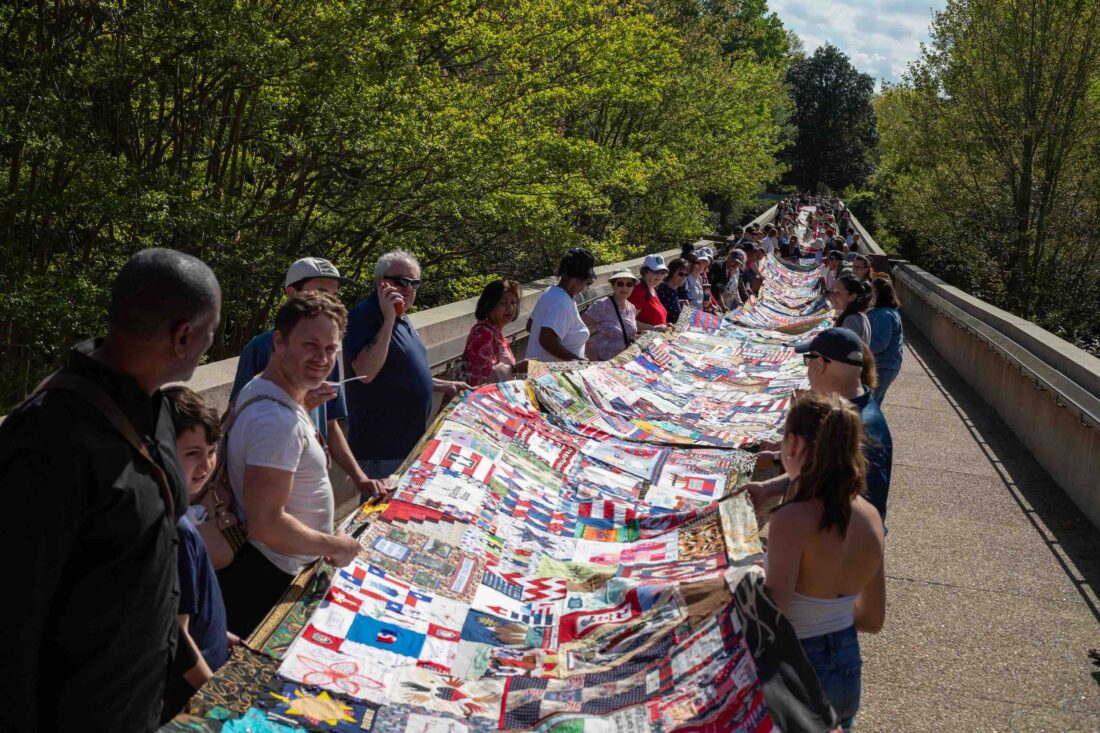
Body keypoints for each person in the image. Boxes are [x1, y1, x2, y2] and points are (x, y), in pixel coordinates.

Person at [0, 248, 220, 732]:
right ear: (183, 336)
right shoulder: (48, 442)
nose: (211, 343)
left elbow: (148, 570)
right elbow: (12, 623)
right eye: (211, 332)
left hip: (137, 704)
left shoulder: (157, 410)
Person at [220, 291, 362, 636]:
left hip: (276, 567)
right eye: (310, 345)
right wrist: (334, 545)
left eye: (330, 349)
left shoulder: (264, 391)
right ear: (279, 341)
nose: (322, 358)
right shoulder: (276, 422)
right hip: (271, 581)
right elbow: (266, 525)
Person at [764, 392, 886, 732]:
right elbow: (873, 618)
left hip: (801, 667)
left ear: (793, 443)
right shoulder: (870, 517)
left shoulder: (791, 519)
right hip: (847, 667)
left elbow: (776, 610)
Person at [230, 257, 388, 502]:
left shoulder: (326, 355)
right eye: (320, 293)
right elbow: (240, 420)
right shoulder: (260, 348)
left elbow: (331, 424)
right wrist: (302, 406)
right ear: (292, 295)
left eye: (334, 295)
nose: (329, 303)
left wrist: (359, 476)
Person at [344, 249, 471, 479]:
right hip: (381, 448)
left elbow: (401, 373)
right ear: (380, 283)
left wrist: (445, 385)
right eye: (401, 281)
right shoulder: (366, 315)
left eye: (414, 283)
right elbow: (365, 372)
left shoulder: (402, 317)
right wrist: (388, 319)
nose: (408, 289)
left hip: (408, 444)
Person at [743, 328, 893, 522]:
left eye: (808, 360)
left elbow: (827, 496)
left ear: (819, 364)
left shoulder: (852, 428)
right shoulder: (855, 410)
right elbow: (818, 470)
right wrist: (769, 487)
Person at [162, 386, 232, 721]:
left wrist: (220, 635)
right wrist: (216, 700)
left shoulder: (174, 511)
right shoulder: (177, 531)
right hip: (190, 697)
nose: (206, 465)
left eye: (212, 451)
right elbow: (176, 636)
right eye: (192, 453)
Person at [524, 247, 596, 362]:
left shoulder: (550, 292)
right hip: (549, 372)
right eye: (587, 282)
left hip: (537, 368)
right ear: (579, 279)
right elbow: (547, 339)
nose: (585, 286)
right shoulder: (562, 302)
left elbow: (531, 326)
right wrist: (575, 360)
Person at [462, 279, 525, 385]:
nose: (510, 307)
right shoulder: (483, 334)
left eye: (513, 302)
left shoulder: (495, 333)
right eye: (502, 302)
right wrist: (516, 368)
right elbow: (481, 377)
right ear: (489, 305)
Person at [583, 269, 639, 360]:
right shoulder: (602, 305)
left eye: (629, 284)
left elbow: (625, 334)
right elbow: (577, 329)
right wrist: (592, 356)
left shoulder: (632, 308)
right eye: (620, 284)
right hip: (601, 360)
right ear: (613, 285)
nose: (625, 288)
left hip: (623, 361)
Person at [868, 276, 904, 403]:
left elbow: (879, 344)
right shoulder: (886, 312)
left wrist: (859, 348)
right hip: (886, 366)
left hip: (883, 366)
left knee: (870, 405)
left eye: (871, 291)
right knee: (873, 404)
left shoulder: (884, 315)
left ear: (878, 294)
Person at [628, 255, 671, 332]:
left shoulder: (651, 289)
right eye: (656, 272)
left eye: (663, 272)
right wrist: (653, 328)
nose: (660, 276)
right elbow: (628, 321)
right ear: (645, 272)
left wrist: (665, 326)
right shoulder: (639, 291)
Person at [830, 274, 874, 344]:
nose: (832, 296)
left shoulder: (851, 320)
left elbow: (847, 349)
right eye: (833, 291)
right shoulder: (860, 316)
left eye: (838, 292)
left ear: (852, 297)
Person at [657, 258, 689, 325]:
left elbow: (668, 303)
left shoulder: (674, 288)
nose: (684, 277)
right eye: (681, 274)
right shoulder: (662, 288)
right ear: (671, 272)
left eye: (686, 275)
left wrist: (679, 302)